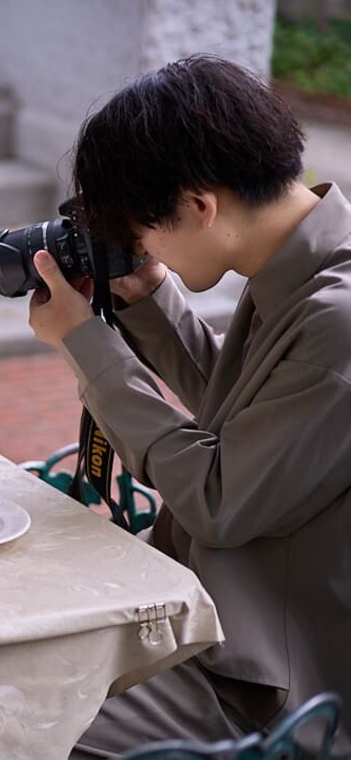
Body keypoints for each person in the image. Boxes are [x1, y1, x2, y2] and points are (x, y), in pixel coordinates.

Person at [27, 54, 351, 756]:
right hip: (206, 610)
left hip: (263, 676)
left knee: (15, 722)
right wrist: (149, 303)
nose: (135, 247)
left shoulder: (338, 318)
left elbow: (220, 496)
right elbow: (250, 423)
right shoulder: (303, 268)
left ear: (200, 206)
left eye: (139, 232)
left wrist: (87, 344)